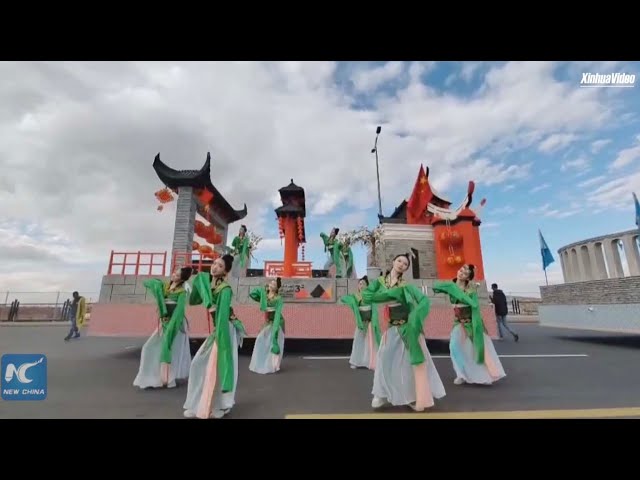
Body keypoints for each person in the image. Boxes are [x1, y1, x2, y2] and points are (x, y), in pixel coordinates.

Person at [363, 253, 446, 412]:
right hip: (392, 329)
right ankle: (380, 393)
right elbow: (367, 296)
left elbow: (424, 300)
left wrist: (415, 317)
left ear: (406, 268)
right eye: (399, 260)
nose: (401, 264)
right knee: (384, 360)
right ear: (393, 261)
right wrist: (388, 295)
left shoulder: (406, 286)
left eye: (405, 263)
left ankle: (412, 396)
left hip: (409, 329)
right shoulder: (380, 282)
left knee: (410, 364)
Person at [183, 254, 243, 419]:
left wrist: (219, 336)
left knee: (217, 367)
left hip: (224, 329)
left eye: (220, 266)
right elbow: (194, 300)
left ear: (225, 272)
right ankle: (203, 403)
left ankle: (220, 405)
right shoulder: (210, 286)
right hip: (218, 329)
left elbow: (223, 316)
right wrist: (199, 282)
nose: (215, 267)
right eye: (214, 263)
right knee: (201, 365)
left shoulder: (225, 289)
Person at [433, 265, 506, 386]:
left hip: (471, 321)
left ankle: (486, 373)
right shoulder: (450, 285)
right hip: (458, 322)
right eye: (461, 270)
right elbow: (435, 287)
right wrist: (444, 288)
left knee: (478, 348)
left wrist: (477, 325)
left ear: (468, 277)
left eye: (465, 273)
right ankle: (461, 373)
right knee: (454, 347)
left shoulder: (471, 289)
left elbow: (475, 307)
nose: (462, 273)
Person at [133, 267, 193, 389]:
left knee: (171, 350)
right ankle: (152, 377)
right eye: (174, 273)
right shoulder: (165, 287)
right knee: (149, 347)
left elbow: (179, 311)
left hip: (176, 324)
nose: (174, 275)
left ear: (182, 279)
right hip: (164, 322)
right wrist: (157, 283)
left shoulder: (181, 292)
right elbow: (147, 283)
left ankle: (168, 378)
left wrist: (172, 327)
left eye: (177, 275)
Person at [339, 275, 381, 370]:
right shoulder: (355, 297)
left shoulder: (371, 297)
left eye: (364, 284)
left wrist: (374, 322)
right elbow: (344, 299)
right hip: (361, 323)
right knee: (358, 342)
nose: (362, 285)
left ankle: (370, 362)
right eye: (360, 283)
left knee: (370, 344)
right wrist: (351, 303)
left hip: (369, 323)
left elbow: (374, 310)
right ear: (358, 286)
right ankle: (356, 362)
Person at [248, 277, 285, 374]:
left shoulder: (278, 299)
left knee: (274, 341)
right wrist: (263, 289)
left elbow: (277, 315)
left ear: (277, 288)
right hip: (268, 322)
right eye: (271, 283)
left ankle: (274, 365)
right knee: (260, 339)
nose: (271, 284)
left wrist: (275, 331)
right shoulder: (265, 296)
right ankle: (261, 362)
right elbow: (252, 294)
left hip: (277, 322)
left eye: (274, 284)